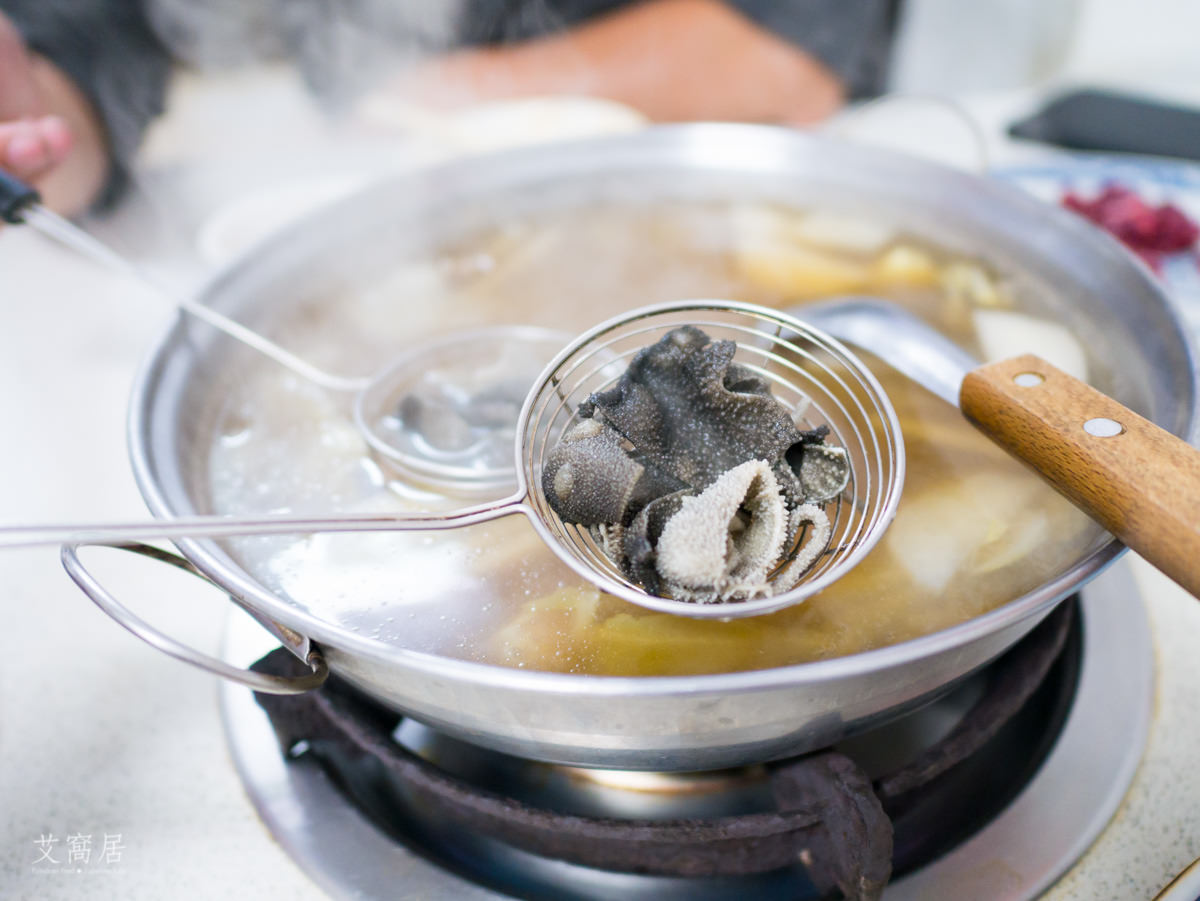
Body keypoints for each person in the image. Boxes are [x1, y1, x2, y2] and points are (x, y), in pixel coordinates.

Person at [0, 0, 897, 217]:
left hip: (726, 202)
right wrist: (28, 123)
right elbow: (74, 102)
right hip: (395, 206)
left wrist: (431, 100)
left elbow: (782, 59)